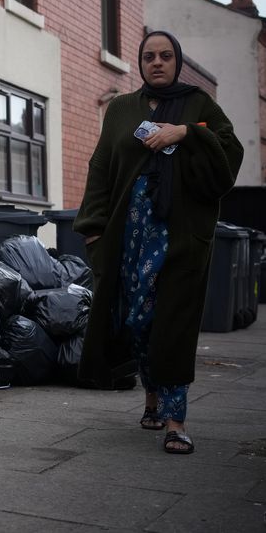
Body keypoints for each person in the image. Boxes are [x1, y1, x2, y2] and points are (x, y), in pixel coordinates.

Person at [74, 30, 243, 455]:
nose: (158, 62)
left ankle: (175, 420)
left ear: (178, 61)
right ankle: (150, 395)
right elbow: (101, 167)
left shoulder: (199, 105)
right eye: (149, 56)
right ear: (141, 62)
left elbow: (229, 153)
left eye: (166, 56)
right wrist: (93, 227)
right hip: (129, 232)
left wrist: (185, 133)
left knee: (174, 324)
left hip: (181, 235)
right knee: (137, 318)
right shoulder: (121, 109)